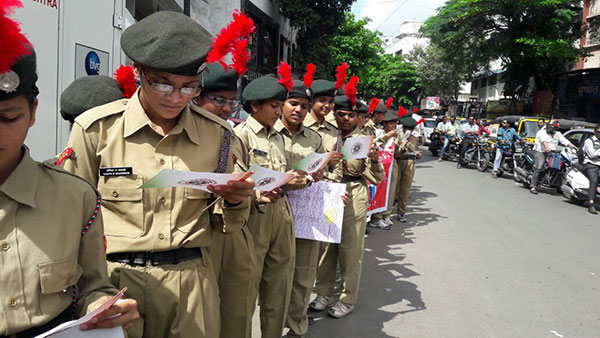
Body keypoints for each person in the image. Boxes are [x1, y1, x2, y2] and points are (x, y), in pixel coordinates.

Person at [62, 12, 254, 338]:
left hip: (191, 283)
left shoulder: (219, 136)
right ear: (138, 72)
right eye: (162, 83)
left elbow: (229, 225)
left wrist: (235, 202)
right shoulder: (97, 129)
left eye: (189, 87)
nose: (175, 97)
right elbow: (69, 218)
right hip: (116, 281)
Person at [0, 12, 139, 336]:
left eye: (8, 118)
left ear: (33, 112)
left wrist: (103, 309)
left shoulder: (75, 198)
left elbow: (92, 286)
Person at [235, 74, 306, 338]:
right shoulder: (240, 135)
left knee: (279, 286)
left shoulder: (278, 137)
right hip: (255, 216)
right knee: (246, 288)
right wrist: (256, 194)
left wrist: (301, 177)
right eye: (274, 106)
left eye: (280, 106)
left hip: (282, 214)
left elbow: (284, 172)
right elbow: (235, 180)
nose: (279, 112)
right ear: (255, 106)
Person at [190, 63, 257, 338]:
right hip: (195, 235)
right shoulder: (182, 135)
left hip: (233, 232)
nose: (227, 108)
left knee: (237, 312)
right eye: (218, 100)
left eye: (232, 102)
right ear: (197, 97)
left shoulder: (232, 136)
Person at [310, 91, 384, 319]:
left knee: (350, 249)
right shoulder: (326, 136)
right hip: (327, 191)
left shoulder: (364, 140)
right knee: (326, 247)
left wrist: (373, 158)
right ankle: (323, 293)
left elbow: (376, 178)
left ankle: (347, 298)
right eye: (340, 114)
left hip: (353, 193)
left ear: (358, 117)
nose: (345, 119)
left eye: (350, 115)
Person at [276, 79, 326, 338]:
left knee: (303, 275)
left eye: (304, 106)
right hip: (271, 212)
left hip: (306, 213)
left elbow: (320, 173)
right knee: (272, 274)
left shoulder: (315, 139)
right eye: (293, 103)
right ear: (282, 104)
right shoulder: (268, 132)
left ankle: (296, 326)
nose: (298, 110)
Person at [370, 111, 400, 229]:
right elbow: (375, 144)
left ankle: (385, 214)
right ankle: (376, 217)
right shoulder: (379, 133)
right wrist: (387, 137)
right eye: (391, 123)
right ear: (385, 124)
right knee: (379, 191)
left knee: (390, 190)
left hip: (392, 164)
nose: (394, 126)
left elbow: (398, 151)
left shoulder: (396, 136)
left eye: (395, 124)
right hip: (381, 166)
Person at [530, 121, 576, 195]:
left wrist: (574, 147)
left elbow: (565, 141)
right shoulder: (542, 132)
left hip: (552, 153)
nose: (548, 128)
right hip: (541, 152)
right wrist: (546, 147)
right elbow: (543, 141)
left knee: (561, 165)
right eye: (548, 126)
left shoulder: (558, 134)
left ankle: (558, 185)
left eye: (550, 126)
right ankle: (533, 186)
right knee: (540, 167)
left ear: (555, 128)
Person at [395, 117, 423, 223]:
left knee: (405, 189)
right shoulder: (398, 134)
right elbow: (396, 151)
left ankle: (401, 212)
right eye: (408, 129)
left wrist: (418, 153)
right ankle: (386, 213)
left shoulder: (416, 134)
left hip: (410, 162)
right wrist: (403, 144)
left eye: (412, 129)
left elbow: (419, 144)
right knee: (395, 188)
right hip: (399, 161)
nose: (410, 131)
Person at [581, 124, 600, 214]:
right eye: (598, 132)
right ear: (595, 132)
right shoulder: (589, 141)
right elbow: (592, 155)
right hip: (591, 164)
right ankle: (591, 204)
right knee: (594, 180)